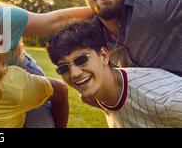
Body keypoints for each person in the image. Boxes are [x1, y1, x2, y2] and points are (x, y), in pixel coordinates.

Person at [47, 20, 182, 127]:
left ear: (104, 55)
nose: (74, 74)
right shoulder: (94, 95)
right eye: (64, 68)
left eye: (81, 59)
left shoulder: (163, 100)